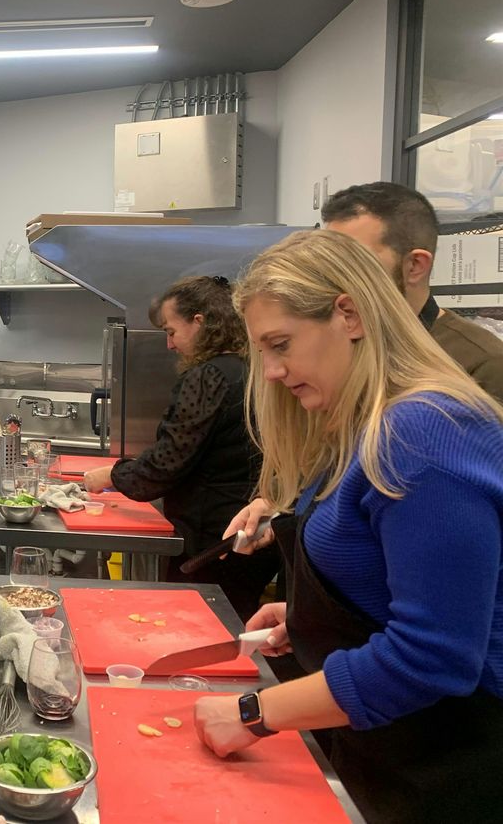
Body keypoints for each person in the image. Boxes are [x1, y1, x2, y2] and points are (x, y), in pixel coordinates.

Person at [198, 230, 503, 823]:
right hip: (384, 750)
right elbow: (407, 583)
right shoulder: (364, 428)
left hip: (448, 767)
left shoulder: (424, 431)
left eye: (280, 344)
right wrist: (317, 618)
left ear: (350, 314)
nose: (274, 372)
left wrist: (254, 712)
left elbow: (431, 657)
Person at [82, 275, 274, 620]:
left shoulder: (208, 376)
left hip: (213, 539)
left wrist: (112, 473)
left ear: (199, 322)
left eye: (171, 331)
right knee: (233, 626)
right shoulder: (252, 369)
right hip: (249, 534)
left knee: (197, 627)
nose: (169, 344)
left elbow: (166, 465)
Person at [323, 181, 503, 400]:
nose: (334, 276)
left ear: (415, 266)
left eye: (357, 261)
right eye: (329, 262)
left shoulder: (482, 365)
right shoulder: (335, 343)